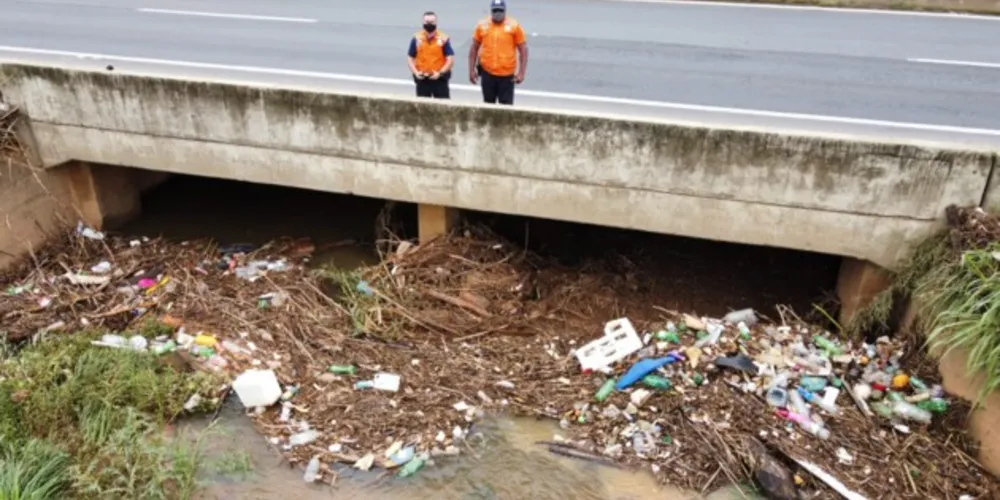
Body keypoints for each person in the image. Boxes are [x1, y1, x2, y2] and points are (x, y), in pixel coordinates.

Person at [468, 0, 528, 105]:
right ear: (491, 11)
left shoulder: (514, 26)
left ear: (505, 11)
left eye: (500, 11)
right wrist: (471, 70)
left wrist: (521, 73)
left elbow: (523, 50)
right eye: (495, 11)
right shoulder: (482, 25)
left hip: (507, 75)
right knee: (488, 105)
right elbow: (474, 48)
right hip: (487, 73)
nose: (498, 13)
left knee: (506, 109)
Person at [407, 11, 455, 99]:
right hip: (423, 78)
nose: (429, 24)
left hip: (439, 79)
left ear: (436, 23)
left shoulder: (443, 38)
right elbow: (410, 57)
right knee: (422, 108)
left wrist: (440, 73)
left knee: (443, 107)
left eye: (432, 22)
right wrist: (416, 73)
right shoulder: (417, 38)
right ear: (423, 22)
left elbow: (450, 59)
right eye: (427, 22)